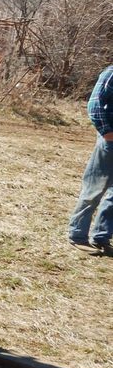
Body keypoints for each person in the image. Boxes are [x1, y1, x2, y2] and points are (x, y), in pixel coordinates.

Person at [68, 64, 113, 254]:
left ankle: (101, 236)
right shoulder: (111, 73)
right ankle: (77, 234)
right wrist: (108, 133)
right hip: (109, 140)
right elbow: (94, 104)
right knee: (95, 187)